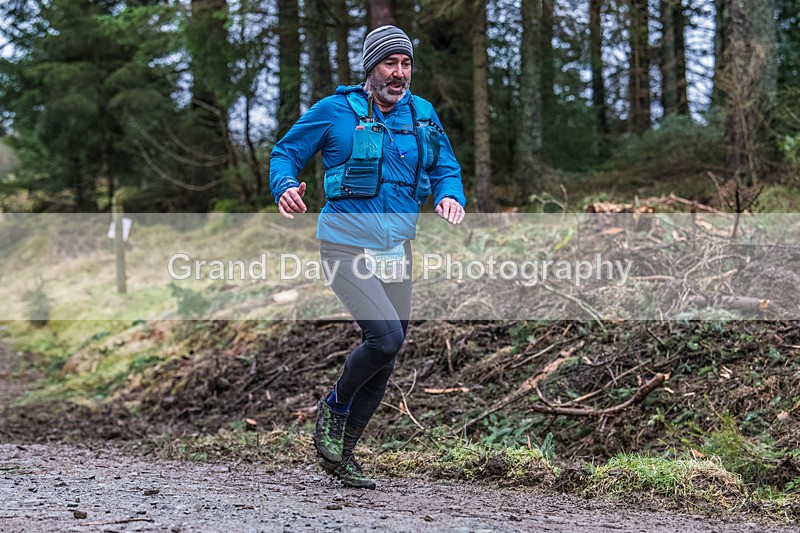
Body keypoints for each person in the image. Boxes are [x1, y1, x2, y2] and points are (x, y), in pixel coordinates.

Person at [269, 24, 466, 489]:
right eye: (389, 63)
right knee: (385, 338)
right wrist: (285, 187)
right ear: (371, 68)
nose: (399, 73)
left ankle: (343, 455)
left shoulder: (423, 114)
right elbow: (284, 153)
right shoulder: (333, 111)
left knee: (386, 355)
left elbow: (445, 167)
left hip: (396, 248)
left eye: (406, 63)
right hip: (344, 245)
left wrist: (449, 194)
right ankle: (334, 406)